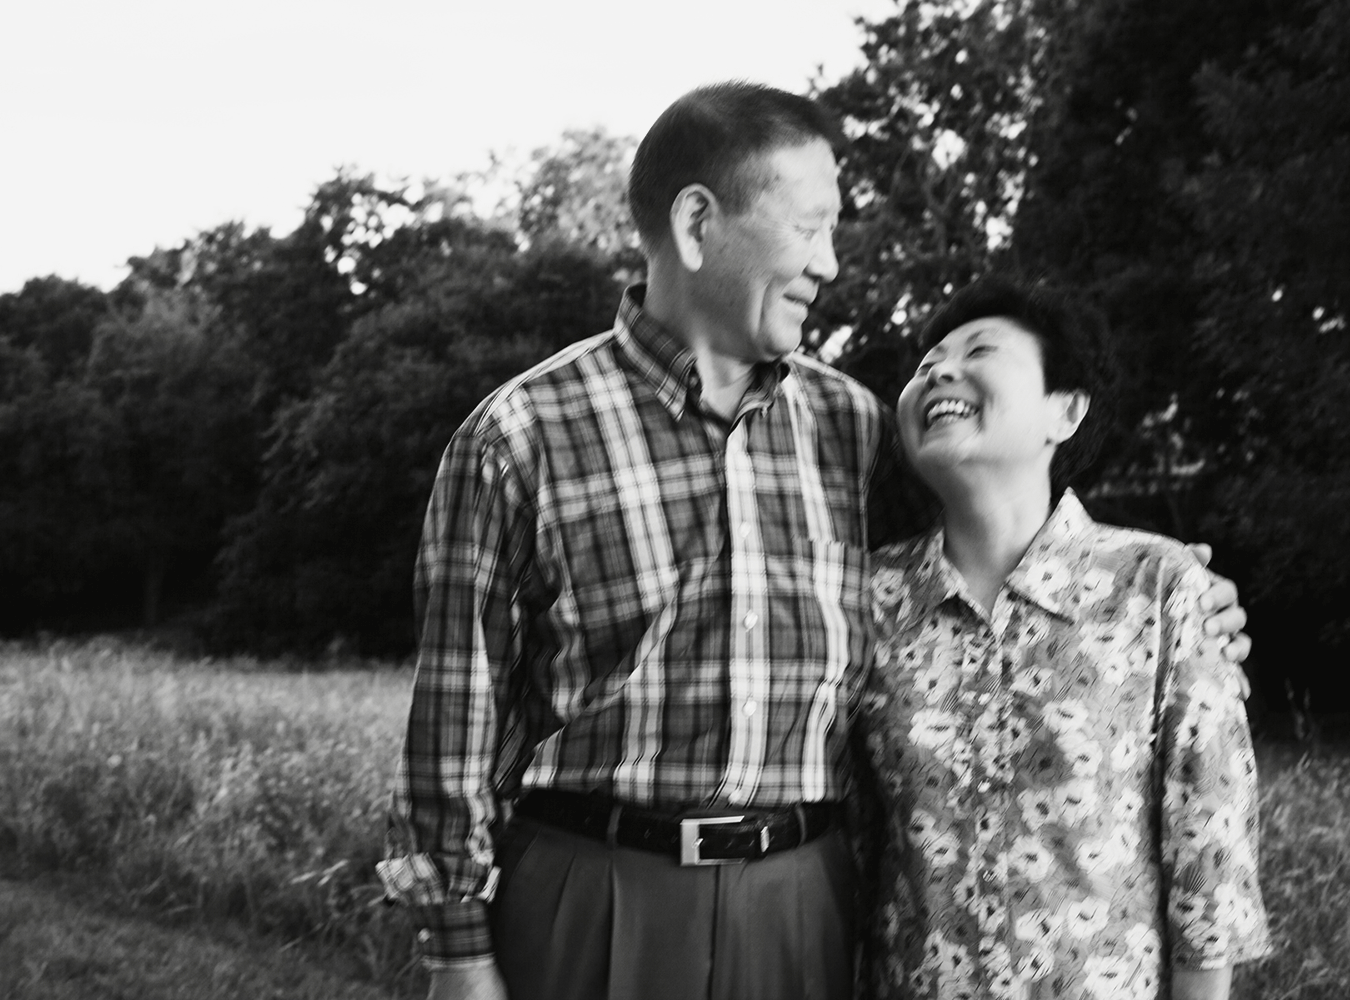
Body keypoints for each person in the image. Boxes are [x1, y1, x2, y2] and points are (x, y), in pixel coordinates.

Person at [378, 83, 1251, 1000]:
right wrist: (459, 957)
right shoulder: (516, 435)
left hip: (805, 904)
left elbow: (1001, 529)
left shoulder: (854, 426)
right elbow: (455, 713)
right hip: (590, 887)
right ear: (696, 222)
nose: (830, 264)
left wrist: (1180, 597)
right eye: (812, 227)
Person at [860, 277, 1271, 1000]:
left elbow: (1207, 854)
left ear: (1067, 409)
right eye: (926, 363)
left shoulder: (1158, 587)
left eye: (978, 350)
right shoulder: (867, 600)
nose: (939, 371)